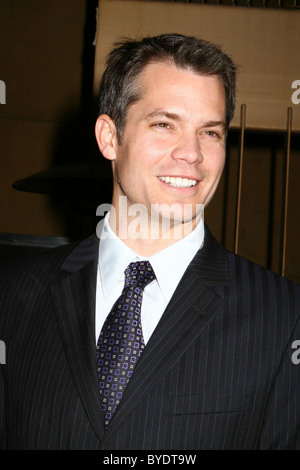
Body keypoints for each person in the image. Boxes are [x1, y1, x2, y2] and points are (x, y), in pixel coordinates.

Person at [0, 33, 299, 450]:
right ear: (109, 137)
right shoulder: (14, 296)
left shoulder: (284, 316)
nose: (191, 154)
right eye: (164, 124)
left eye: (210, 133)